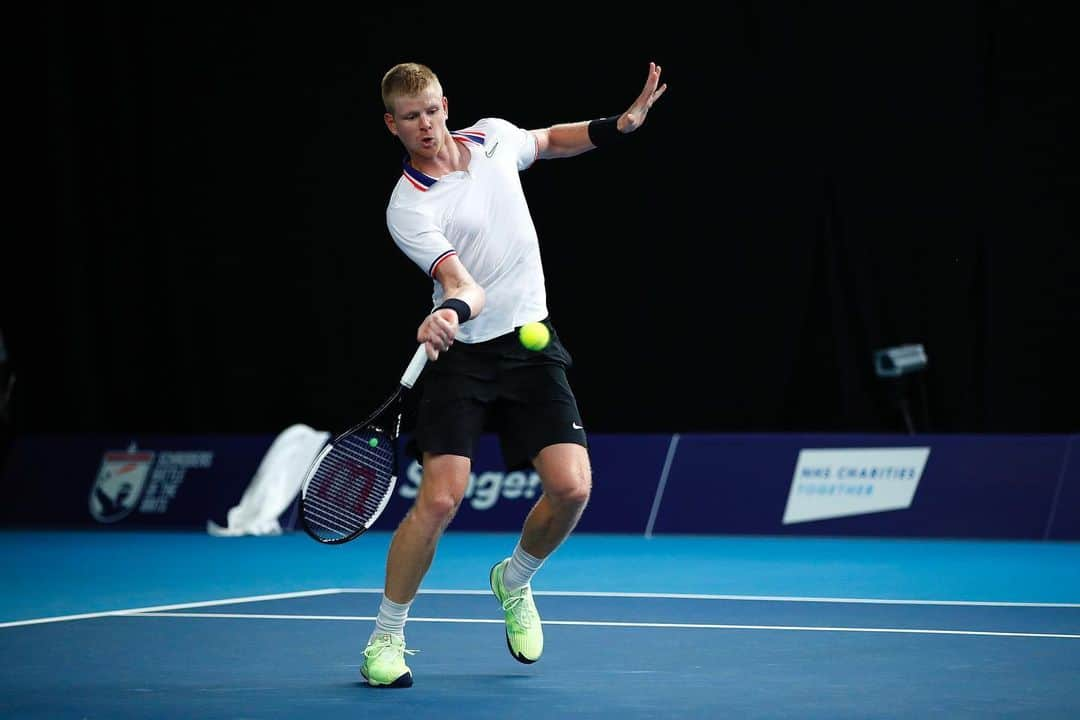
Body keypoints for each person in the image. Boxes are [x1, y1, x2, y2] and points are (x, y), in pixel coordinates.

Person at [362, 60, 667, 688]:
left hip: (530, 344)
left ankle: (515, 578)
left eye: (431, 110)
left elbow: (551, 139)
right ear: (391, 125)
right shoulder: (407, 208)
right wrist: (447, 311)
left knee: (573, 488)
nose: (424, 125)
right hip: (463, 356)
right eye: (409, 117)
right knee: (441, 498)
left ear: (446, 105)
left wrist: (618, 125)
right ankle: (385, 638)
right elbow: (460, 282)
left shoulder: (495, 137)